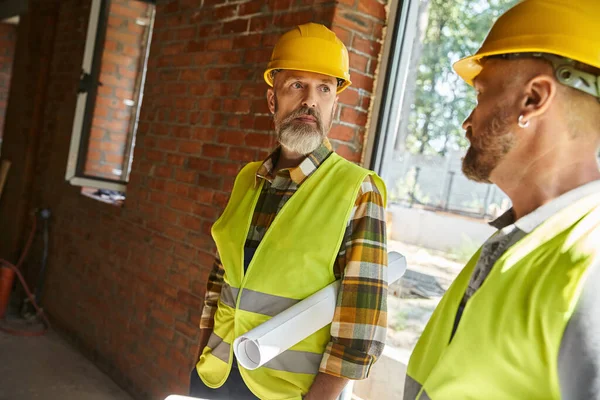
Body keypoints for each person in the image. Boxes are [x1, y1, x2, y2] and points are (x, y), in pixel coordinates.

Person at [403, 0, 600, 399]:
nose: (466, 122)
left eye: (480, 93)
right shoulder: (521, 240)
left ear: (532, 99)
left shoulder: (589, 261)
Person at [190, 23, 388, 400]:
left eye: (324, 89)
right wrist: (201, 356)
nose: (309, 101)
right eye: (296, 85)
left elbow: (360, 324)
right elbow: (221, 280)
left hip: (283, 393)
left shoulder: (358, 190)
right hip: (214, 376)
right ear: (272, 100)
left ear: (334, 106)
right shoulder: (249, 179)